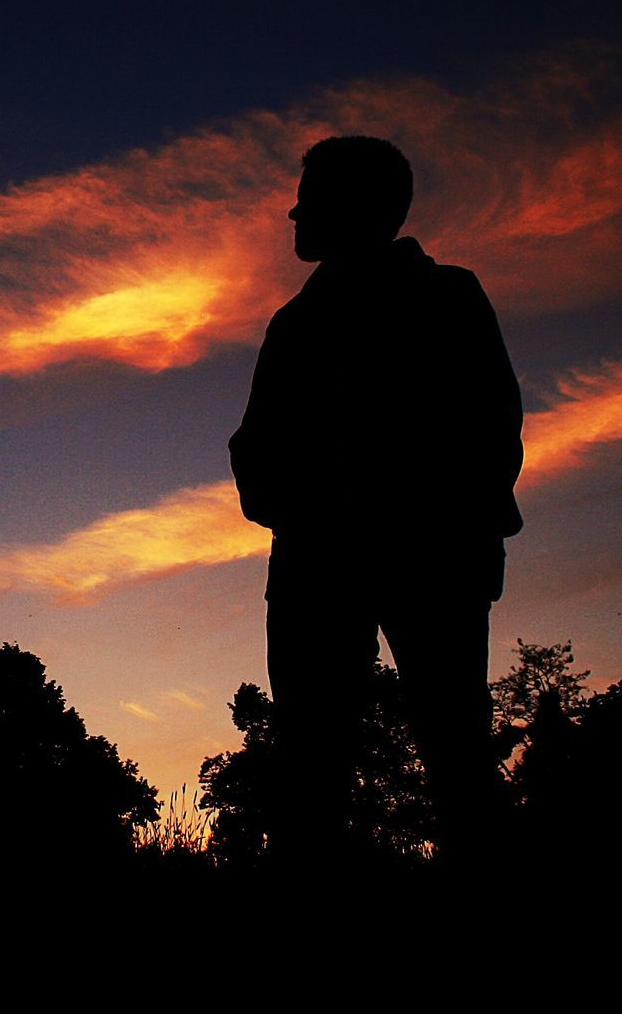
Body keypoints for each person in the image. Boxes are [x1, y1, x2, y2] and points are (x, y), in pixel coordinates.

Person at [228, 135, 524, 871]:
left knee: (455, 754)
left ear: (358, 206)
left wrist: (455, 528)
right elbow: (254, 446)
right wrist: (297, 513)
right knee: (310, 765)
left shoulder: (448, 297)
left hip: (432, 562)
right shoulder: (294, 324)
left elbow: (492, 427)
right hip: (316, 569)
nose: (294, 212)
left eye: (311, 197)